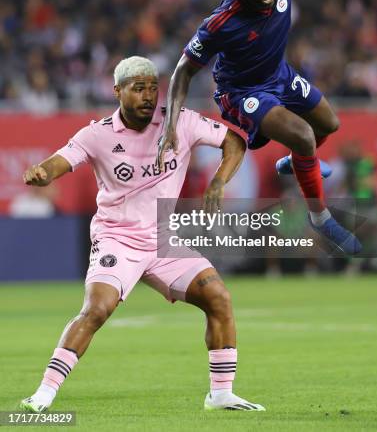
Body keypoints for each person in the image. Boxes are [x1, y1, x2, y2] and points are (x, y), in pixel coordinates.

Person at [20, 56, 264, 413]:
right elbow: (60, 161)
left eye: (153, 87)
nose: (149, 96)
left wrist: (218, 181)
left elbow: (235, 142)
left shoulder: (179, 121)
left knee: (219, 298)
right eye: (138, 88)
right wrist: (43, 172)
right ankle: (44, 394)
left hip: (162, 240)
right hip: (117, 238)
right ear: (118, 92)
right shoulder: (97, 134)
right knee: (96, 310)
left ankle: (221, 394)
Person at [158, 0, 362, 256]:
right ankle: (319, 217)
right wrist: (170, 124)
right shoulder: (222, 21)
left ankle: (295, 162)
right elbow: (183, 71)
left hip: (279, 76)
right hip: (241, 91)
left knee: (328, 124)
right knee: (304, 136)